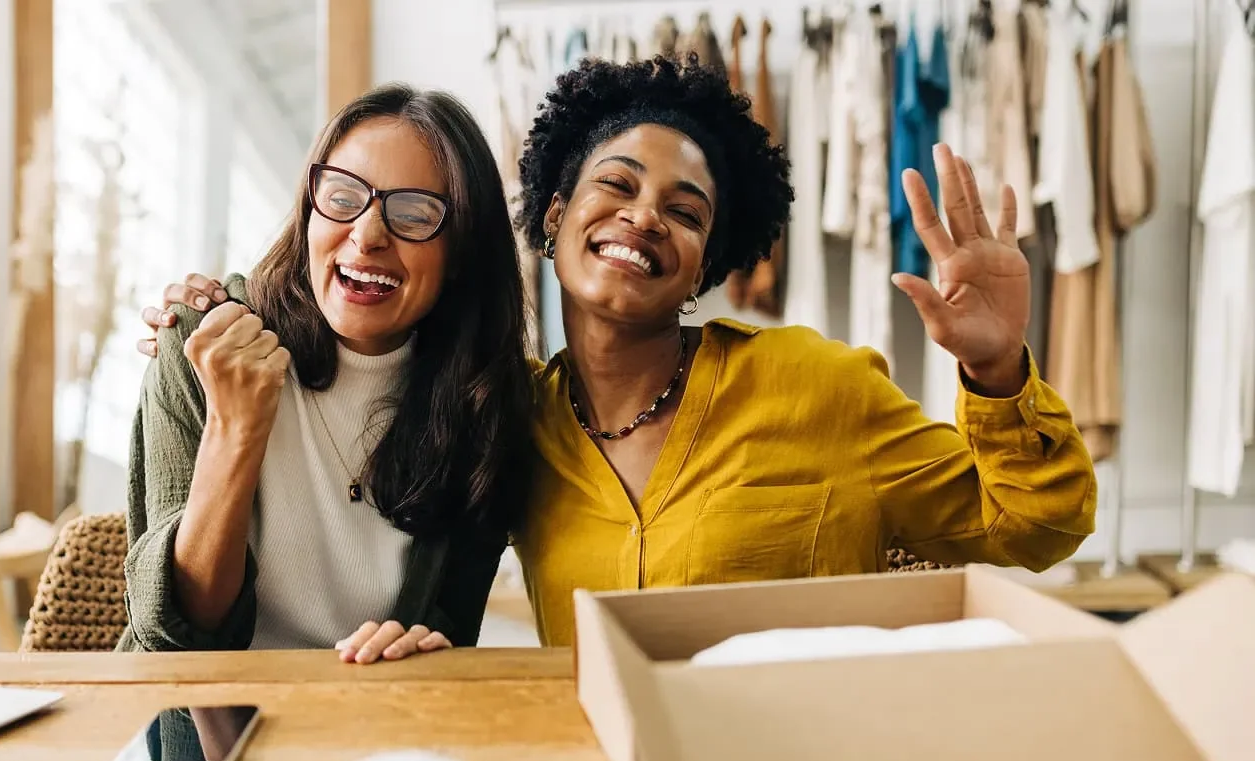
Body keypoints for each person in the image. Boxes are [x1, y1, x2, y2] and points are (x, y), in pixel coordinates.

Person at [142, 56, 1096, 648]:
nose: (645, 216)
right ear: (554, 216)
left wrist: (998, 370)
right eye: (618, 185)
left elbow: (1033, 527)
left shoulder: (819, 385)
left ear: (705, 266)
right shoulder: (513, 417)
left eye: (686, 212)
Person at [118, 84, 534, 662]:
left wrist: (422, 646)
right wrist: (234, 431)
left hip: (370, 726)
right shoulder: (204, 342)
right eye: (342, 197)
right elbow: (174, 632)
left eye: (414, 213)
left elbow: (451, 634)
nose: (367, 236)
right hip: (201, 730)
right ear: (309, 208)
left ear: (462, 250)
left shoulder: (486, 405)